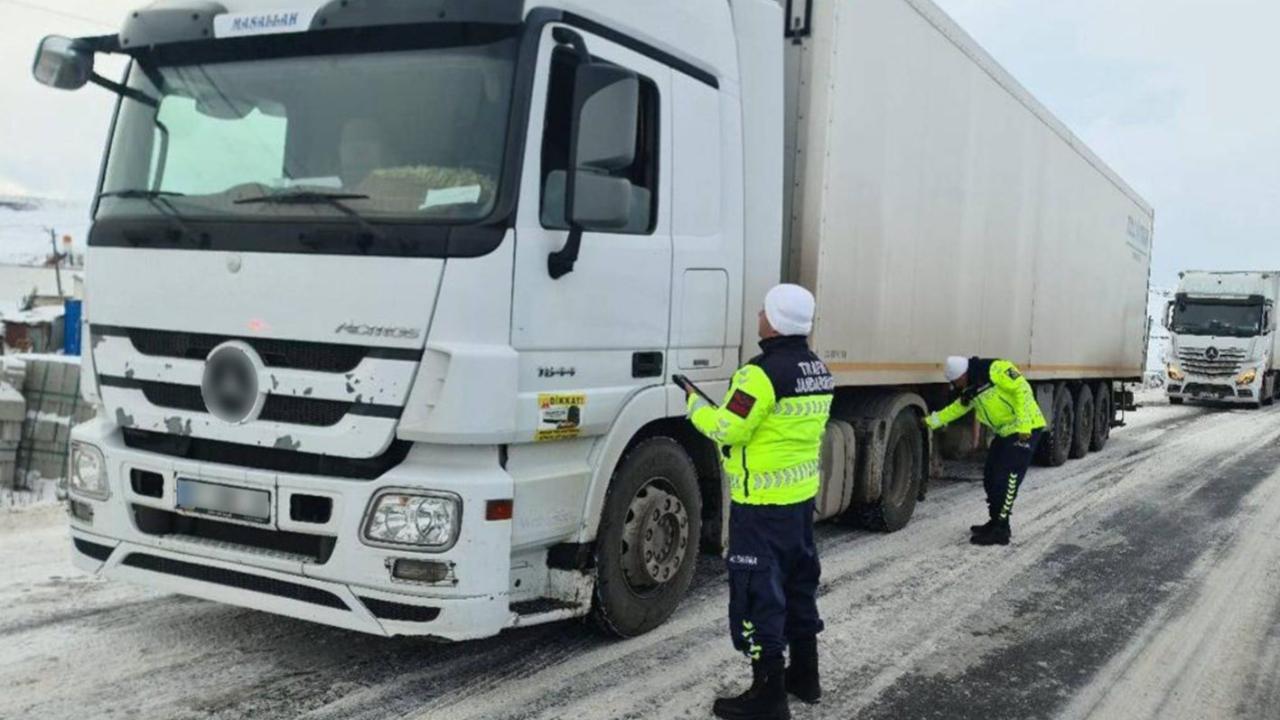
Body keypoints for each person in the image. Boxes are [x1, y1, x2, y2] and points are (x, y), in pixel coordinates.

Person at [686, 284, 833, 720]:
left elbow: (728, 429)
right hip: (799, 500)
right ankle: (805, 677)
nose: (758, 316)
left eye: (764, 311)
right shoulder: (817, 369)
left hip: (761, 505)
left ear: (776, 320)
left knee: (757, 595)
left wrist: (695, 405)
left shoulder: (760, 374)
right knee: (797, 585)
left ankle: (767, 696)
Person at [923, 356, 1046, 546]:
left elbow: (1022, 389)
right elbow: (958, 408)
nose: (956, 386)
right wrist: (931, 421)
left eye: (956, 381)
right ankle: (995, 521)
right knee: (990, 476)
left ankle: (1002, 530)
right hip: (1005, 432)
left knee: (1007, 479)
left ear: (963, 374)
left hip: (1025, 430)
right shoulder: (971, 386)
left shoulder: (997, 368)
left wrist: (1024, 426)